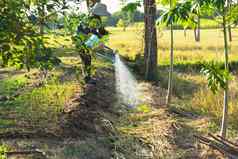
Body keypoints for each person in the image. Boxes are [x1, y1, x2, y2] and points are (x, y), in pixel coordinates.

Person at [75, 2, 111, 84]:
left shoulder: (89, 17)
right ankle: (87, 79)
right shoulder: (94, 19)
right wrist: (100, 38)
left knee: (86, 59)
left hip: (80, 41)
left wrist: (101, 35)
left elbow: (93, 30)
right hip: (83, 41)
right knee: (87, 59)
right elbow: (92, 31)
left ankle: (86, 78)